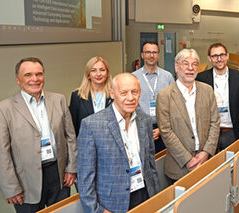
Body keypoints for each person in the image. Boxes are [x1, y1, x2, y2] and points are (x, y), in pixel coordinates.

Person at [0, 57, 77, 213]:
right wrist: (10, 187)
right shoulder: (4, 108)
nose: (35, 79)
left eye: (39, 74)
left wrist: (71, 169)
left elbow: (70, 138)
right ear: (18, 80)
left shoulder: (58, 99)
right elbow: (2, 152)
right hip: (25, 180)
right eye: (28, 75)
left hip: (58, 174)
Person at [78, 73, 159, 212]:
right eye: (124, 93)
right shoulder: (91, 125)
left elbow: (150, 164)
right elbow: (85, 178)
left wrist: (156, 196)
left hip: (144, 195)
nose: (130, 98)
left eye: (134, 92)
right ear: (113, 93)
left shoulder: (145, 121)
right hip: (112, 204)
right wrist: (97, 210)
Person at [156, 49, 220, 182]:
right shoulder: (165, 96)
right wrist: (188, 159)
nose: (190, 68)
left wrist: (206, 152)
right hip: (179, 167)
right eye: (185, 64)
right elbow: (166, 131)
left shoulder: (207, 90)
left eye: (195, 64)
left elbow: (215, 123)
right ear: (176, 66)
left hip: (205, 162)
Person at [196, 43, 239, 150]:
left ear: (227, 56)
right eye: (215, 56)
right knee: (211, 165)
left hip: (231, 132)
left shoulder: (238, 77)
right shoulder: (202, 78)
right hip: (209, 134)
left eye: (222, 55)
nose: (219, 59)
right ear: (209, 58)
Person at [132, 41, 174, 153]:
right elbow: (131, 107)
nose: (151, 55)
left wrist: (162, 129)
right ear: (142, 55)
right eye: (148, 52)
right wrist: (143, 129)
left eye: (154, 52)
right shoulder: (133, 78)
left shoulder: (167, 77)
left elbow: (174, 105)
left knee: (162, 163)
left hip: (164, 129)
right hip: (140, 129)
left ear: (158, 55)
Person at [69, 56, 113, 136]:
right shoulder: (77, 96)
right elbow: (73, 127)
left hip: (110, 145)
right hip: (86, 143)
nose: (98, 74)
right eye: (93, 70)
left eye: (102, 70)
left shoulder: (114, 95)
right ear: (88, 74)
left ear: (107, 74)